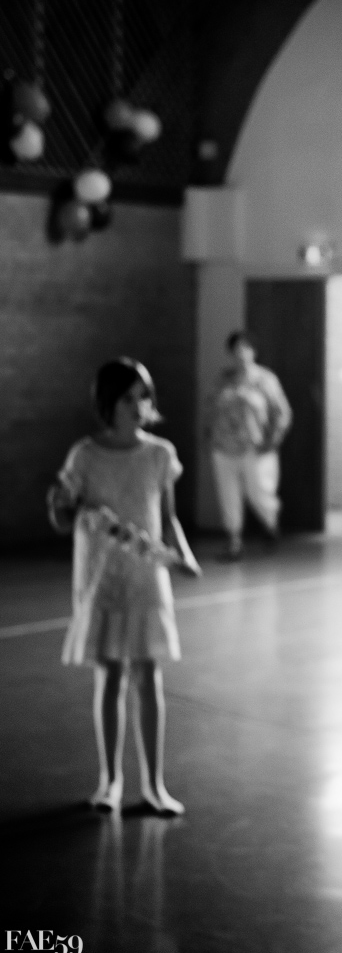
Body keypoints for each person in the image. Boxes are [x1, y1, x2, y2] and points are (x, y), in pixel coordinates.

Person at [48, 359, 200, 815]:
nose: (139, 406)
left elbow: (168, 517)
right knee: (110, 673)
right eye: (128, 397)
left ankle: (154, 785)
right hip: (102, 578)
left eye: (144, 396)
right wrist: (60, 506)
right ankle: (109, 782)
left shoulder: (159, 454)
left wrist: (183, 556)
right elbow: (63, 518)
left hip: (146, 580)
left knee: (148, 674)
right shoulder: (85, 455)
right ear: (108, 402)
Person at [207, 330, 292, 560]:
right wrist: (210, 433)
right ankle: (233, 541)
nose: (241, 354)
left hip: (254, 447)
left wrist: (273, 440)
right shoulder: (223, 380)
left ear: (253, 351)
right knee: (228, 495)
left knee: (259, 492)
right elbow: (211, 408)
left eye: (245, 348)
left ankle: (271, 526)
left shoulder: (265, 380)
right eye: (236, 349)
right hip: (224, 446)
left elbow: (282, 412)